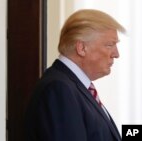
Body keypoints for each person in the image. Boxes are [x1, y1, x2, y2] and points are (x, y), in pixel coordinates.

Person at [25, 9, 126, 141]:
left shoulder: (75, 87)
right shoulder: (59, 89)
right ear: (82, 48)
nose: (116, 54)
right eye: (109, 45)